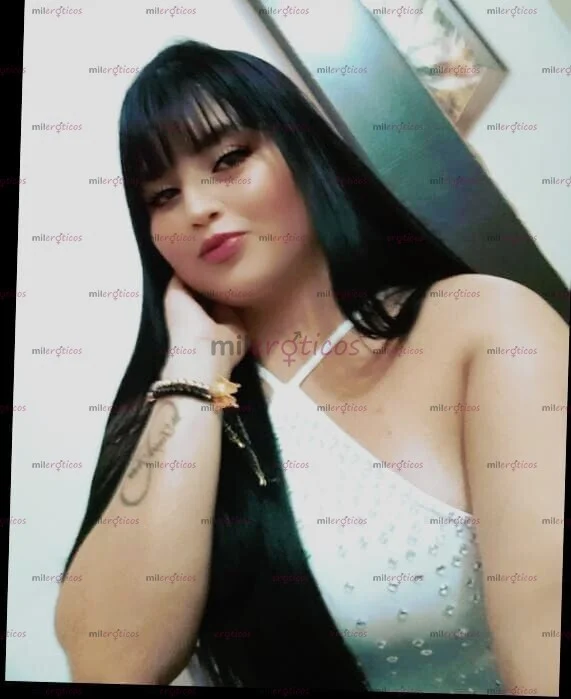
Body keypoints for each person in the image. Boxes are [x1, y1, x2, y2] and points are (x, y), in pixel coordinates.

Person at [54, 39, 566, 693]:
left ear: (302, 149)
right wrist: (193, 366)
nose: (196, 207)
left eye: (229, 159)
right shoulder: (177, 406)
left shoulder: (484, 325)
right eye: (161, 194)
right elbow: (110, 662)